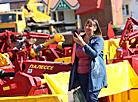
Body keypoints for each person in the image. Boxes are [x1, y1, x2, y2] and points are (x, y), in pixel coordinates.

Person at [68, 18, 107, 102]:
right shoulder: (80, 38)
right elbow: (77, 57)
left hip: (94, 75)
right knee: (86, 99)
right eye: (86, 25)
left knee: (92, 99)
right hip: (81, 75)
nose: (87, 27)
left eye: (90, 26)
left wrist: (83, 44)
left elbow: (94, 54)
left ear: (95, 28)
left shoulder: (98, 40)